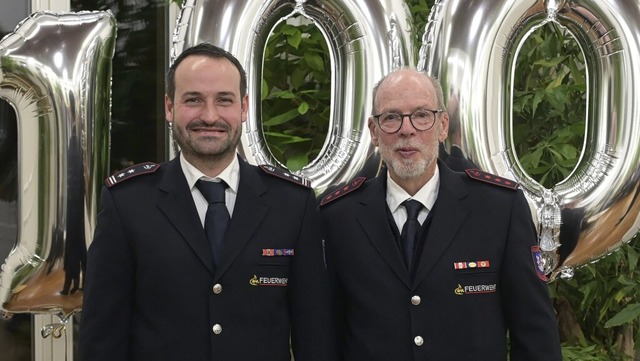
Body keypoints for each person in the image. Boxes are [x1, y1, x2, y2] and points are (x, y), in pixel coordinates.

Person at [80, 43, 336, 361]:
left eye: (224, 100)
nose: (210, 116)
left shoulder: (292, 205)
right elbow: (101, 342)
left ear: (243, 107)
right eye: (193, 100)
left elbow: (315, 339)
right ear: (170, 107)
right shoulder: (127, 205)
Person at [319, 68, 562, 360]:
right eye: (392, 117)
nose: (406, 130)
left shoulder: (499, 209)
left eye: (422, 115)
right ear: (374, 131)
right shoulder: (337, 217)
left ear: (443, 125)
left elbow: (535, 335)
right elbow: (323, 336)